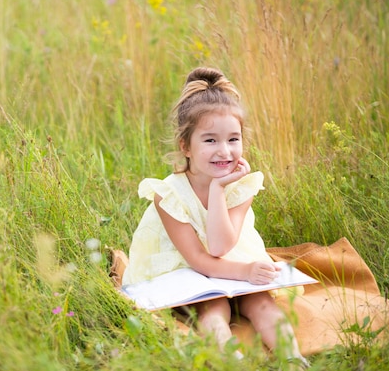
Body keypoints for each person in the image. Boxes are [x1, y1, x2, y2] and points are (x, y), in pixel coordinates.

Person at [122, 67, 309, 368]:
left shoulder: (243, 186)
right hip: (188, 265)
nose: (224, 151)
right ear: (186, 146)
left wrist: (221, 190)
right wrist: (218, 188)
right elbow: (201, 258)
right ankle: (231, 361)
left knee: (260, 302)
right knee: (214, 306)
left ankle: (293, 358)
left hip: (231, 257)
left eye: (233, 139)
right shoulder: (168, 194)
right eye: (210, 141)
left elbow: (222, 245)